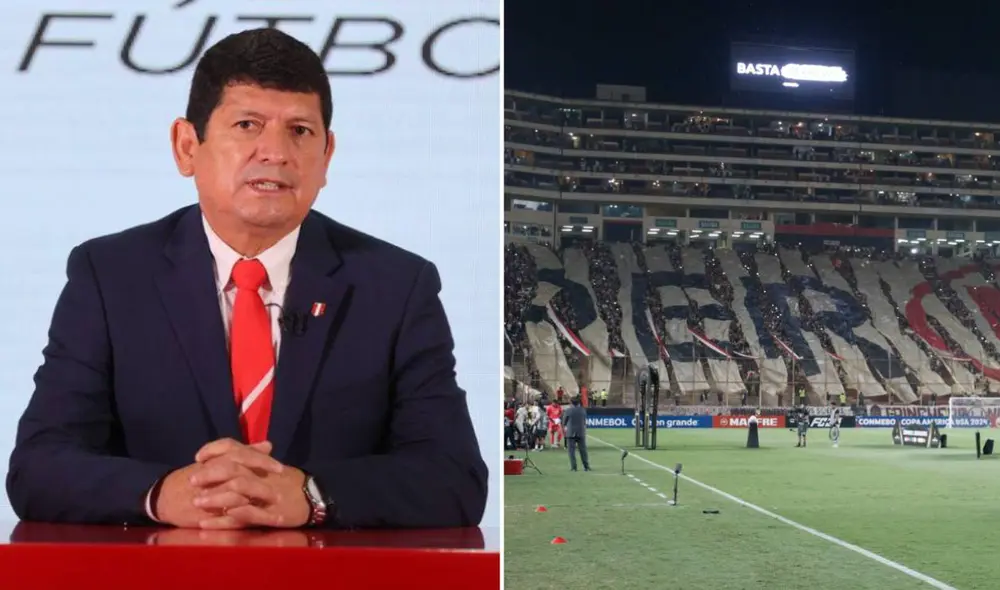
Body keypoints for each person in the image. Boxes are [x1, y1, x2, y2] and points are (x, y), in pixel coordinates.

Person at [6, 28, 487, 530]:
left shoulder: (397, 285)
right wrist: (162, 493)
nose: (275, 152)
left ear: (327, 156)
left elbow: (454, 477)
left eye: (300, 131)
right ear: (187, 146)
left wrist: (311, 493)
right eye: (247, 124)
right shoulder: (109, 275)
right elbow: (39, 466)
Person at [563, 396, 590, 472]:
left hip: (571, 432)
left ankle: (574, 467)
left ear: (571, 403)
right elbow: (584, 421)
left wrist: (565, 427)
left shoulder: (568, 410)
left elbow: (564, 421)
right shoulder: (582, 410)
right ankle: (586, 466)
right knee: (583, 450)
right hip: (581, 432)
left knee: (571, 451)